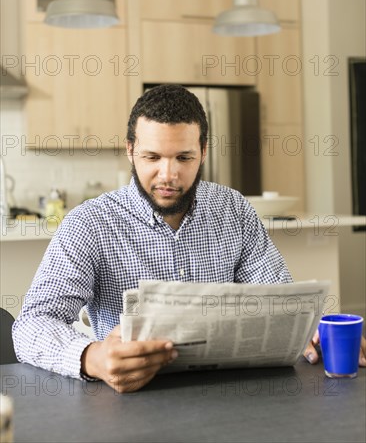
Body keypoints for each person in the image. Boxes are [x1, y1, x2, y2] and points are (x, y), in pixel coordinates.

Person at [13, 85, 365, 392]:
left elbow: (278, 301)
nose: (168, 175)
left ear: (204, 152)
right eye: (152, 157)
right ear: (130, 151)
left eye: (184, 157)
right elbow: (31, 325)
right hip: (133, 402)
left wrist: (311, 330)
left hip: (233, 397)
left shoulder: (234, 210)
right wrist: (92, 357)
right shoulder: (89, 223)